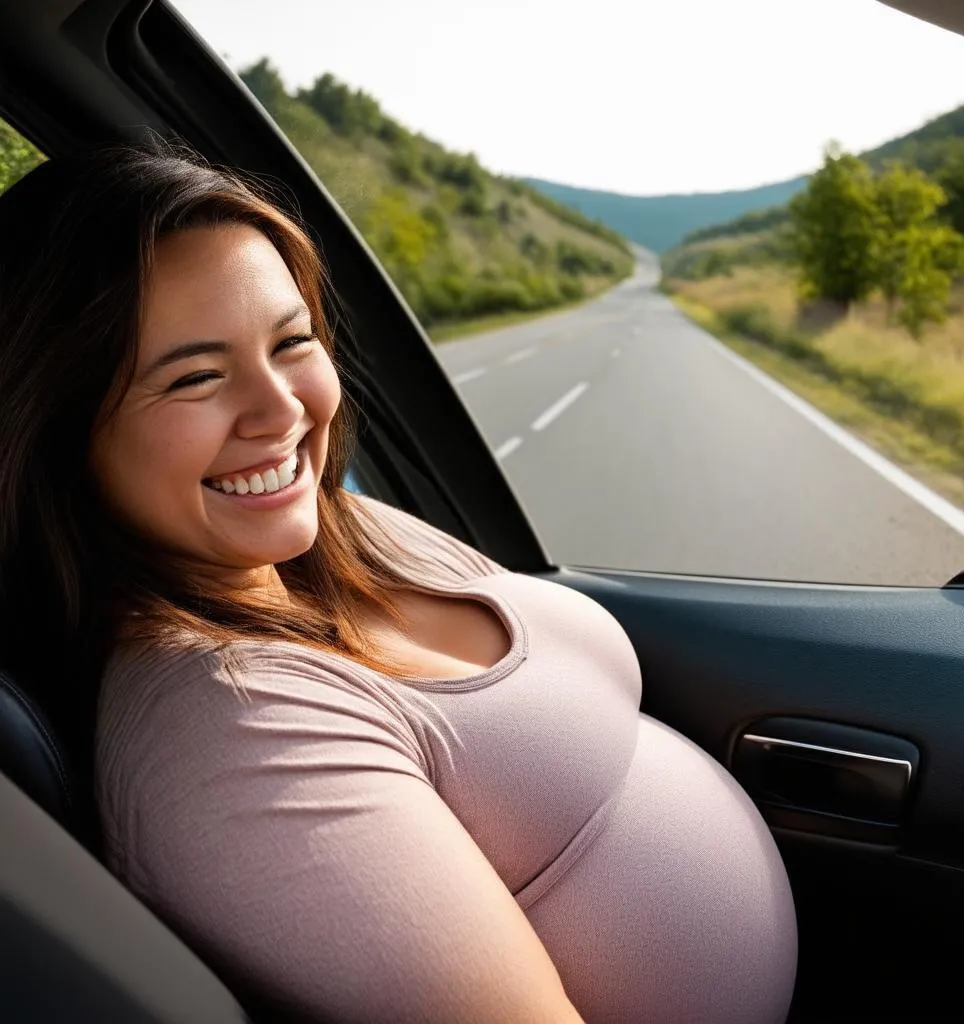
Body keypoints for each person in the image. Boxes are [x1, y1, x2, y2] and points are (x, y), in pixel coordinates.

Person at [0, 143, 797, 1023]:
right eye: (196, 378)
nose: (283, 410)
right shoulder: (234, 730)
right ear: (59, 426)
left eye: (291, 341)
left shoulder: (334, 533)